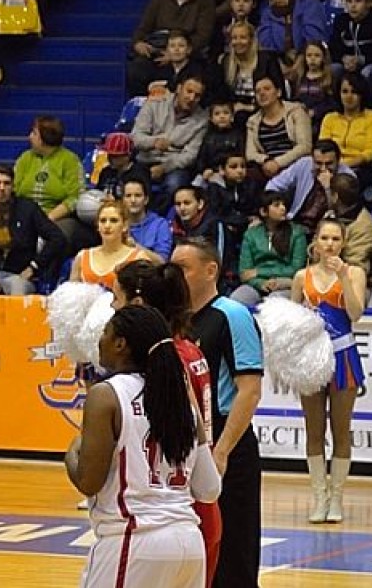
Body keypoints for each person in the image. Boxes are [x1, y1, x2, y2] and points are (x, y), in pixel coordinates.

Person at [66, 305, 221, 588]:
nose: (100, 340)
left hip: (134, 541)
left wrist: (71, 455)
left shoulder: (106, 394)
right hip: (189, 545)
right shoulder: (182, 401)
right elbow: (209, 489)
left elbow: (89, 482)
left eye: (105, 333)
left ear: (120, 344)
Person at [111, 261, 221, 583]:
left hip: (173, 502)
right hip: (193, 498)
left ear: (137, 305)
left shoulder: (165, 361)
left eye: (116, 299)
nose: (111, 307)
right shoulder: (189, 349)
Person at [171, 238, 264, 588]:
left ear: (211, 271)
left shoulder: (233, 315)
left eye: (184, 267)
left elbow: (250, 390)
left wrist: (221, 452)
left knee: (233, 551)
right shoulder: (177, 321)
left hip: (226, 443)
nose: (175, 274)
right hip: (188, 441)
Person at [294, 219, 368, 525]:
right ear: (315, 241)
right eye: (324, 237)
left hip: (343, 355)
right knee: (313, 430)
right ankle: (319, 496)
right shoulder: (302, 276)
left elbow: (356, 313)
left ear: (344, 242)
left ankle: (337, 497)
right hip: (312, 358)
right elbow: (292, 322)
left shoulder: (354, 273)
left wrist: (342, 277)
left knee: (340, 429)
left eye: (336, 238)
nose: (330, 244)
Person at [0, 164, 66, 295]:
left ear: (13, 187)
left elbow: (57, 238)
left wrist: (33, 267)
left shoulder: (28, 209)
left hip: (20, 276)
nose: (2, 188)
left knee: (17, 290)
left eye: (7, 183)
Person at [231, 191, 307, 306]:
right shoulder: (251, 234)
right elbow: (244, 272)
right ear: (263, 211)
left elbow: (296, 268)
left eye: (283, 205)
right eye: (277, 205)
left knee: (273, 303)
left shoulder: (297, 233)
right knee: (236, 300)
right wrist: (261, 283)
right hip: (257, 283)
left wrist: (260, 272)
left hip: (285, 283)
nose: (283, 208)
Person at [73, 200, 158, 290]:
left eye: (113, 220)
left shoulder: (138, 258)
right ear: (98, 226)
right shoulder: (82, 257)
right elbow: (69, 296)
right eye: (103, 221)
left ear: (125, 225)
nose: (107, 225)